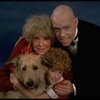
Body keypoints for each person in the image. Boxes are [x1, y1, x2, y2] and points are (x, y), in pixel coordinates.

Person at [0, 14, 73, 99]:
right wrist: (15, 85)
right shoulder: (23, 46)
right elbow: (3, 74)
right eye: (36, 38)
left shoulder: (57, 52)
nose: (41, 44)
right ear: (30, 39)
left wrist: (70, 87)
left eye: (46, 38)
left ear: (52, 39)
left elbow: (66, 76)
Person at [51, 4, 100, 99]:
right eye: (57, 29)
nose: (62, 35)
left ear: (76, 22)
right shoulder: (51, 37)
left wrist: (74, 88)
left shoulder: (96, 36)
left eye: (66, 28)